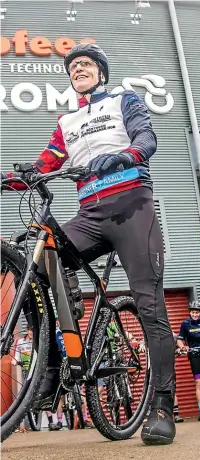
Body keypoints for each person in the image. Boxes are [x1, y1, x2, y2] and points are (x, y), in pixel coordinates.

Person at [2, 43, 175, 445]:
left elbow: (147, 138)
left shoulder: (123, 100)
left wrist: (126, 156)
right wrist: (15, 177)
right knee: (45, 257)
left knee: (149, 304)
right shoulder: (68, 121)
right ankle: (52, 364)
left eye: (85, 63)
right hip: (90, 215)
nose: (78, 68)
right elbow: (47, 162)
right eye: (73, 65)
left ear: (100, 71)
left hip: (132, 207)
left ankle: (163, 405)